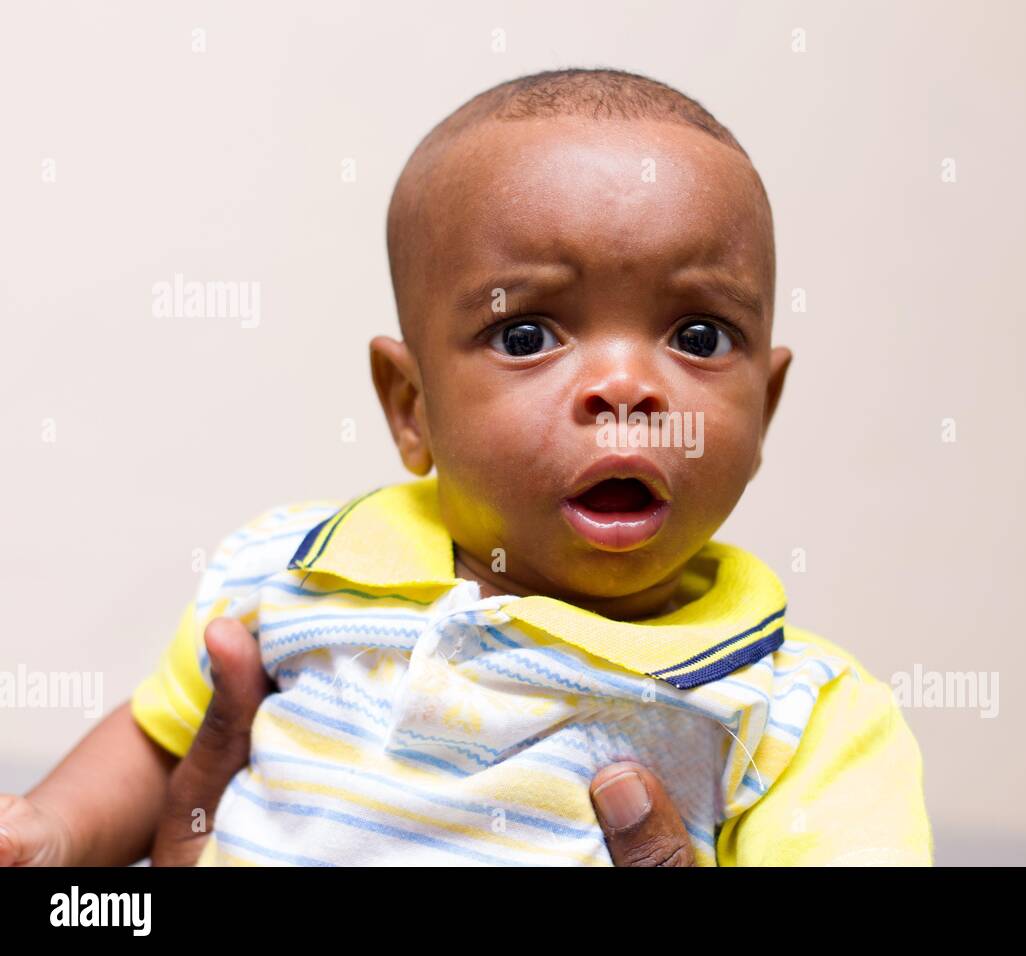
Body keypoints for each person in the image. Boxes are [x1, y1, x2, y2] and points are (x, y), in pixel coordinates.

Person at [0, 68, 933, 866]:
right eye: (525, 335)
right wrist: (53, 830)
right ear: (412, 407)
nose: (624, 387)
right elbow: (163, 747)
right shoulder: (295, 572)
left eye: (699, 335)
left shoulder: (796, 713)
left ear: (764, 409)